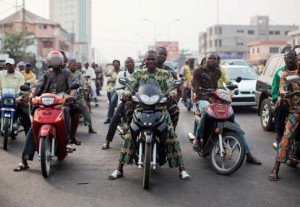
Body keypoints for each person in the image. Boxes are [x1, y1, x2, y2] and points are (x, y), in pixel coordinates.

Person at [108, 50, 190, 181]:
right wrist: (127, 92)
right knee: (130, 135)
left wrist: (172, 93)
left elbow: (172, 86)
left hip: (160, 108)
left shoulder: (165, 74)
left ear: (156, 61)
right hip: (141, 108)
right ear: (144, 61)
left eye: (153, 59)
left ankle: (182, 169)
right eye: (148, 59)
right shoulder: (138, 73)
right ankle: (119, 169)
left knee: (171, 135)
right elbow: (130, 85)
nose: (151, 61)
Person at [13, 50, 79, 172]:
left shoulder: (67, 74)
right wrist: (32, 95)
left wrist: (71, 96)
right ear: (49, 62)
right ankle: (24, 160)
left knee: (70, 111)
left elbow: (74, 84)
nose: (54, 63)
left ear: (61, 62)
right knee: (34, 127)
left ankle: (68, 139)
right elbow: (38, 86)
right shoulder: (46, 74)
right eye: (52, 61)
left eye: (56, 61)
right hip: (45, 102)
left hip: (61, 102)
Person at [192, 53, 261, 164]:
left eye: (214, 59)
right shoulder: (198, 72)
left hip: (215, 99)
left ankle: (248, 154)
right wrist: (208, 98)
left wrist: (223, 92)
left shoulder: (218, 72)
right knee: (206, 111)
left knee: (235, 124)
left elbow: (216, 87)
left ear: (217, 61)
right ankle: (197, 138)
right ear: (205, 60)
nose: (212, 60)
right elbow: (196, 89)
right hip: (202, 99)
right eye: (210, 58)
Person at [268, 50, 300, 181]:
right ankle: (275, 168)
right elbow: (281, 90)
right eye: (288, 58)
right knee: (287, 137)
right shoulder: (285, 74)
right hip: (295, 111)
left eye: (293, 58)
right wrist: (287, 94)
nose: (291, 61)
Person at [101, 57, 135, 149]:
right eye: (127, 62)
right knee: (115, 117)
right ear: (125, 64)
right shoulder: (121, 74)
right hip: (125, 100)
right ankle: (108, 142)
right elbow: (118, 88)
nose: (129, 63)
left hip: (138, 100)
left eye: (131, 62)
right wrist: (126, 95)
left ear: (134, 63)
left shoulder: (139, 74)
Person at [0, 58, 31, 136]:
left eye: (11, 65)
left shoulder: (20, 76)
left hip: (16, 99)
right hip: (2, 98)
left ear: (14, 66)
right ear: (5, 66)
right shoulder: (1, 74)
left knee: (25, 114)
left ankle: (29, 137)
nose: (9, 66)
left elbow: (23, 90)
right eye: (7, 65)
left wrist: (20, 98)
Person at [271, 51, 295, 150]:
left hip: (297, 102)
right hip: (285, 101)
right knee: (280, 108)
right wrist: (277, 98)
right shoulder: (280, 73)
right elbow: (275, 90)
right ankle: (279, 137)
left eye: (291, 58)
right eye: (287, 58)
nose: (289, 60)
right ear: (284, 60)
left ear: (296, 59)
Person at [68, 58, 97, 134]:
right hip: (67, 96)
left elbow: (83, 82)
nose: (75, 66)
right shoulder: (66, 73)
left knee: (85, 109)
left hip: (78, 96)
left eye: (76, 65)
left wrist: (84, 87)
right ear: (69, 66)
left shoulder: (79, 74)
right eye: (73, 65)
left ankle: (90, 127)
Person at [156, 46, 180, 128]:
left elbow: (174, 85)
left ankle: (171, 133)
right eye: (160, 54)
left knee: (175, 110)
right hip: (145, 99)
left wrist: (172, 94)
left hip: (163, 99)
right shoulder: (144, 68)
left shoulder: (169, 71)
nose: (162, 56)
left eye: (164, 55)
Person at [104, 60, 121, 124]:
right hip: (113, 86)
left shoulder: (122, 71)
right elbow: (107, 77)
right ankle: (109, 117)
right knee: (112, 100)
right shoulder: (111, 71)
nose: (116, 65)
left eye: (117, 64)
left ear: (119, 65)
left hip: (120, 87)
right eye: (115, 64)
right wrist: (112, 79)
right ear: (113, 65)